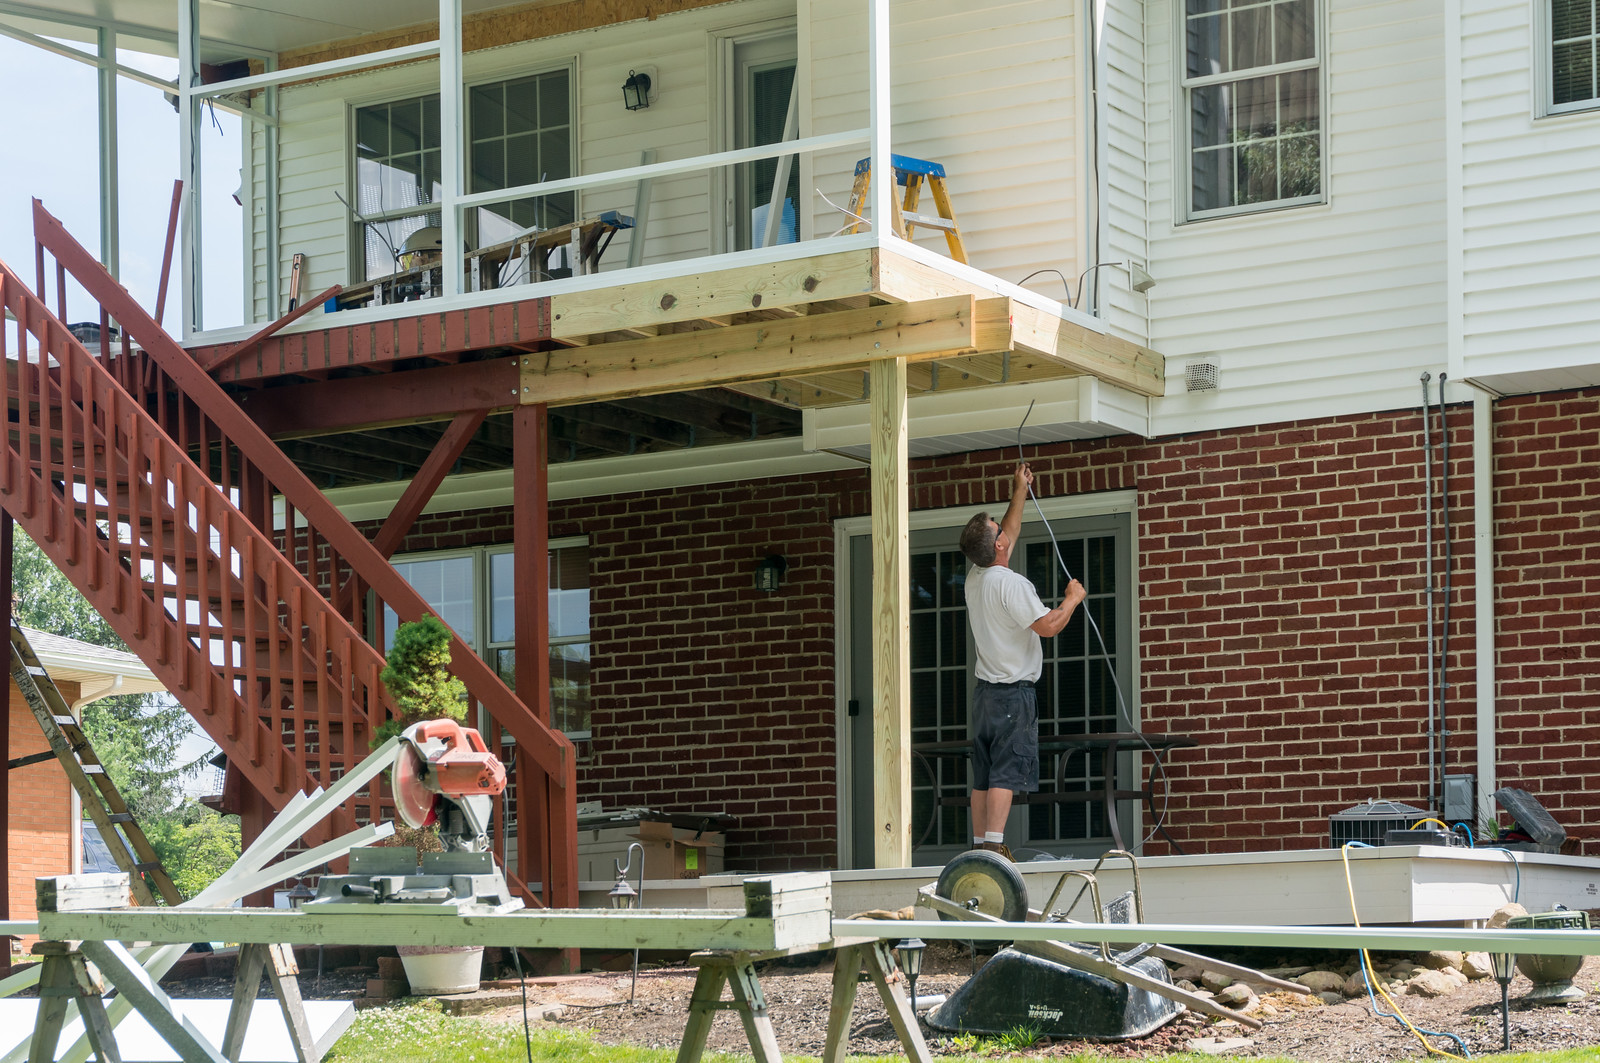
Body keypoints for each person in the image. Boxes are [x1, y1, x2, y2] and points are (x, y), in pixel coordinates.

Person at [958, 463, 1086, 860]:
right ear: (997, 546)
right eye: (999, 531)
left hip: (984, 696)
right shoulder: (1011, 584)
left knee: (983, 773)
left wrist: (1020, 490)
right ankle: (995, 848)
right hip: (1013, 695)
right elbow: (1047, 626)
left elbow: (1008, 532)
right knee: (1005, 773)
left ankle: (980, 847)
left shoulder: (976, 577)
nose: (1004, 532)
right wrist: (1072, 599)